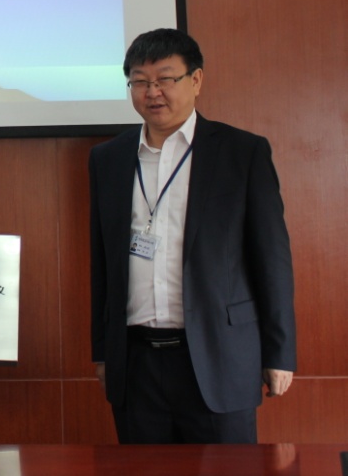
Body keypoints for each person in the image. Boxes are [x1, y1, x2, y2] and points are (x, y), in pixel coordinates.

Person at [89, 28, 296, 444]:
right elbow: (102, 262)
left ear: (196, 80)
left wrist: (279, 353)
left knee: (229, 470)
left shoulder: (242, 152)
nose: (152, 92)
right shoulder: (108, 158)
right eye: (140, 81)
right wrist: (103, 349)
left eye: (165, 79)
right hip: (136, 363)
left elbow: (271, 260)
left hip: (220, 357)